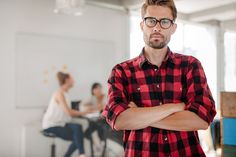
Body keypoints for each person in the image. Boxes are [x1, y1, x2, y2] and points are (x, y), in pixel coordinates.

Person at [102, 0, 216, 157]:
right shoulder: (122, 71)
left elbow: (202, 120)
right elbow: (119, 120)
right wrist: (176, 107)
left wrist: (138, 115)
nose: (156, 27)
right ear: (142, 25)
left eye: (164, 21)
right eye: (151, 20)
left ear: (173, 27)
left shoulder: (190, 65)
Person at [42, 72, 93, 157]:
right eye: (72, 79)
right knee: (78, 135)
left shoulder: (66, 94)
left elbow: (69, 112)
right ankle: (82, 154)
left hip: (61, 123)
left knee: (78, 130)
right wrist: (85, 112)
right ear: (67, 80)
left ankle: (79, 154)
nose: (74, 81)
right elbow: (69, 112)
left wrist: (86, 110)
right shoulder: (59, 93)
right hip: (51, 125)